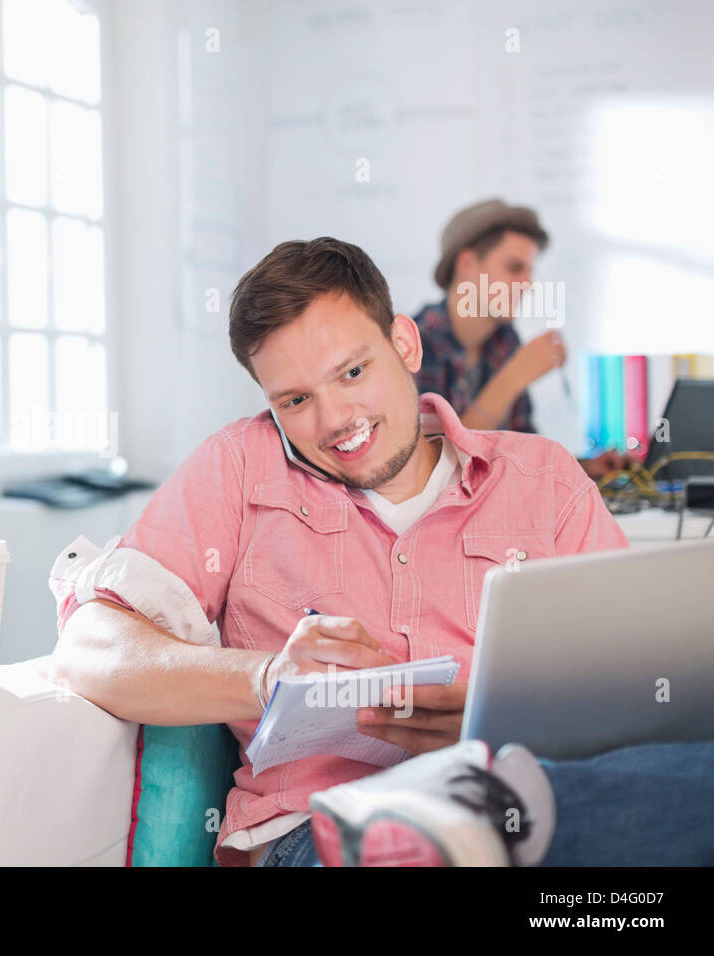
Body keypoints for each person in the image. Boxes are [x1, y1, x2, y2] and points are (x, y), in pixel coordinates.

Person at [48, 237, 712, 867]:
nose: (335, 419)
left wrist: (496, 728)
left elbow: (647, 693)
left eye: (353, 371)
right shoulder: (239, 467)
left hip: (529, 796)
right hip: (319, 827)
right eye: (297, 399)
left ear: (405, 342)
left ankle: (476, 822)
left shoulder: (544, 481)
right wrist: (266, 679)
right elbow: (86, 646)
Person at [413, 199, 629, 480]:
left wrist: (583, 468)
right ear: (466, 263)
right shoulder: (416, 345)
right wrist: (514, 377)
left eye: (530, 271)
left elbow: (522, 454)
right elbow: (435, 472)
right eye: (515, 268)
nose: (528, 284)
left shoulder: (504, 342)